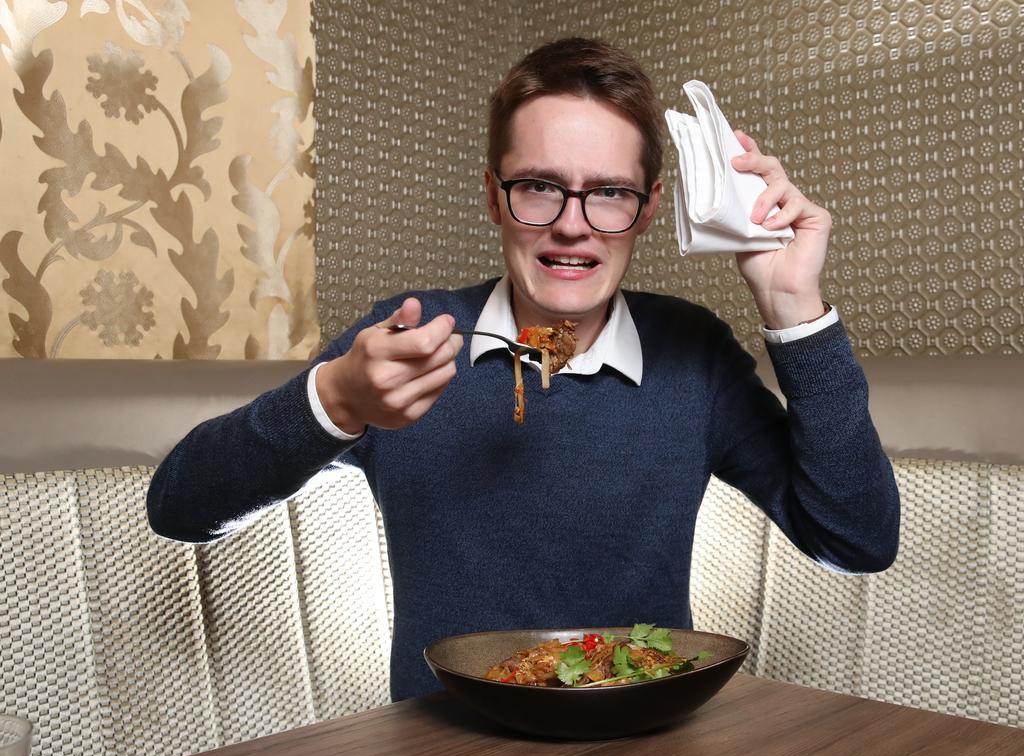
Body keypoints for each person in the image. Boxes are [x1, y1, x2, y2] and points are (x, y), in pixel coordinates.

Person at [148, 37, 900, 702]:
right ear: (493, 196)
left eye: (608, 192)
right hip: (442, 750)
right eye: (539, 185)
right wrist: (336, 400)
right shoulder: (408, 335)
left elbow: (857, 540)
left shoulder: (692, 356)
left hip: (646, 747)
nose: (572, 223)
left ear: (647, 210)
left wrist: (794, 307)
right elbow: (179, 507)